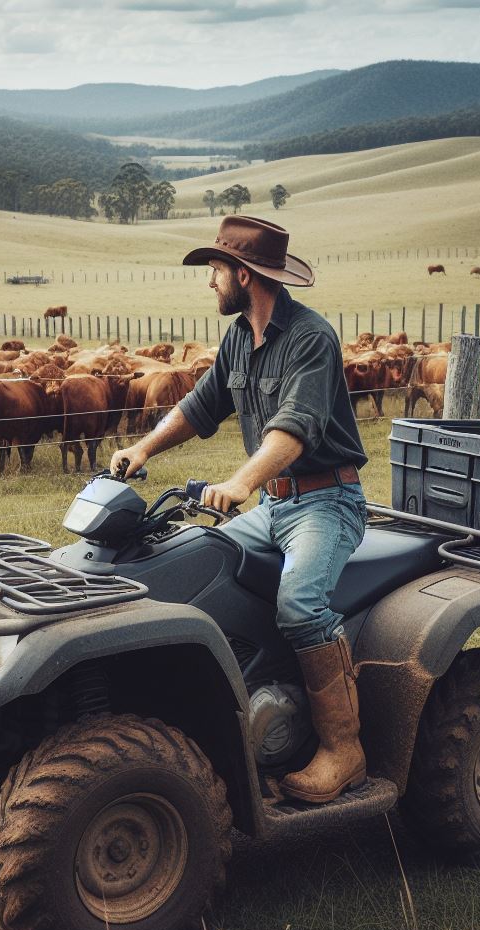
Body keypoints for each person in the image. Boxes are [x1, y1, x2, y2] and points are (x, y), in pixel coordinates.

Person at [110, 216, 368, 804]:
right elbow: (199, 409)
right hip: (275, 506)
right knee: (202, 567)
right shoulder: (238, 339)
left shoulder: (311, 338)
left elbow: (293, 434)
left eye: (216, 271)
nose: (211, 284)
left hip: (326, 499)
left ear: (243, 274)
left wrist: (241, 482)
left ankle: (344, 750)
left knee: (300, 601)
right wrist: (141, 448)